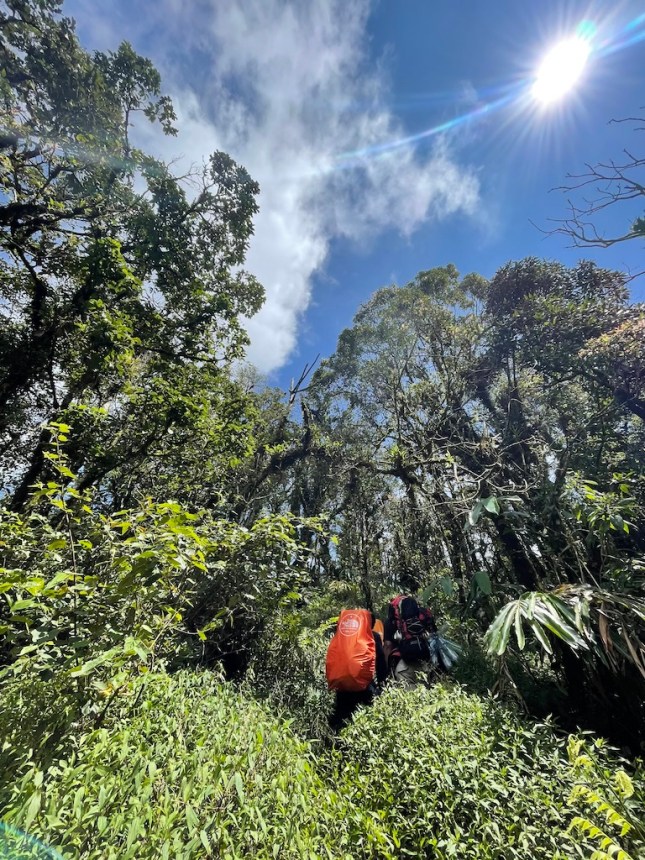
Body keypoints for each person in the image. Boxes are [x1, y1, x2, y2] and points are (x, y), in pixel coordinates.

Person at [327, 610, 387, 731]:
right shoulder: (373, 636)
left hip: (342, 685)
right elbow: (380, 661)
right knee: (369, 714)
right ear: (370, 624)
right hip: (363, 685)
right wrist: (383, 682)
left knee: (341, 716)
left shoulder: (342, 637)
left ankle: (335, 736)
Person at [384, 594, 438, 686]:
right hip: (426, 660)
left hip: (405, 663)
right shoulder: (422, 615)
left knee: (407, 690)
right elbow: (435, 636)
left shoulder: (392, 621)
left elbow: (388, 646)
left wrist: (386, 669)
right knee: (428, 689)